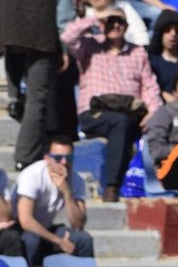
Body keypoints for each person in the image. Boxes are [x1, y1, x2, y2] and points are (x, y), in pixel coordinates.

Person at [61, 6, 164, 203]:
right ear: (103, 24)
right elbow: (68, 37)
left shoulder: (137, 53)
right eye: (111, 21)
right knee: (121, 122)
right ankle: (112, 185)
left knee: (149, 122)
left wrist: (153, 112)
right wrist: (96, 17)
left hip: (129, 112)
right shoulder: (90, 47)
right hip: (95, 113)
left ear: (126, 26)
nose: (115, 25)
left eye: (120, 22)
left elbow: (149, 86)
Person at [0, 1, 62, 170]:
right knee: (38, 98)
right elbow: (65, 10)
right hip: (41, 32)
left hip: (9, 25)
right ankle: (25, 157)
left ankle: (14, 99)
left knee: (15, 53)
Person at [14, 137, 94, 267]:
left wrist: (67, 193)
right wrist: (59, 241)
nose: (64, 162)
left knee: (83, 239)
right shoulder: (32, 175)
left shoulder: (77, 180)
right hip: (19, 228)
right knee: (31, 240)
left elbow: (79, 224)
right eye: (58, 158)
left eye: (69, 158)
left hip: (46, 227)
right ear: (47, 159)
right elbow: (26, 221)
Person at [146, 9, 178, 102]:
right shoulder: (150, 60)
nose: (173, 34)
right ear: (160, 33)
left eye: (177, 30)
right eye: (167, 30)